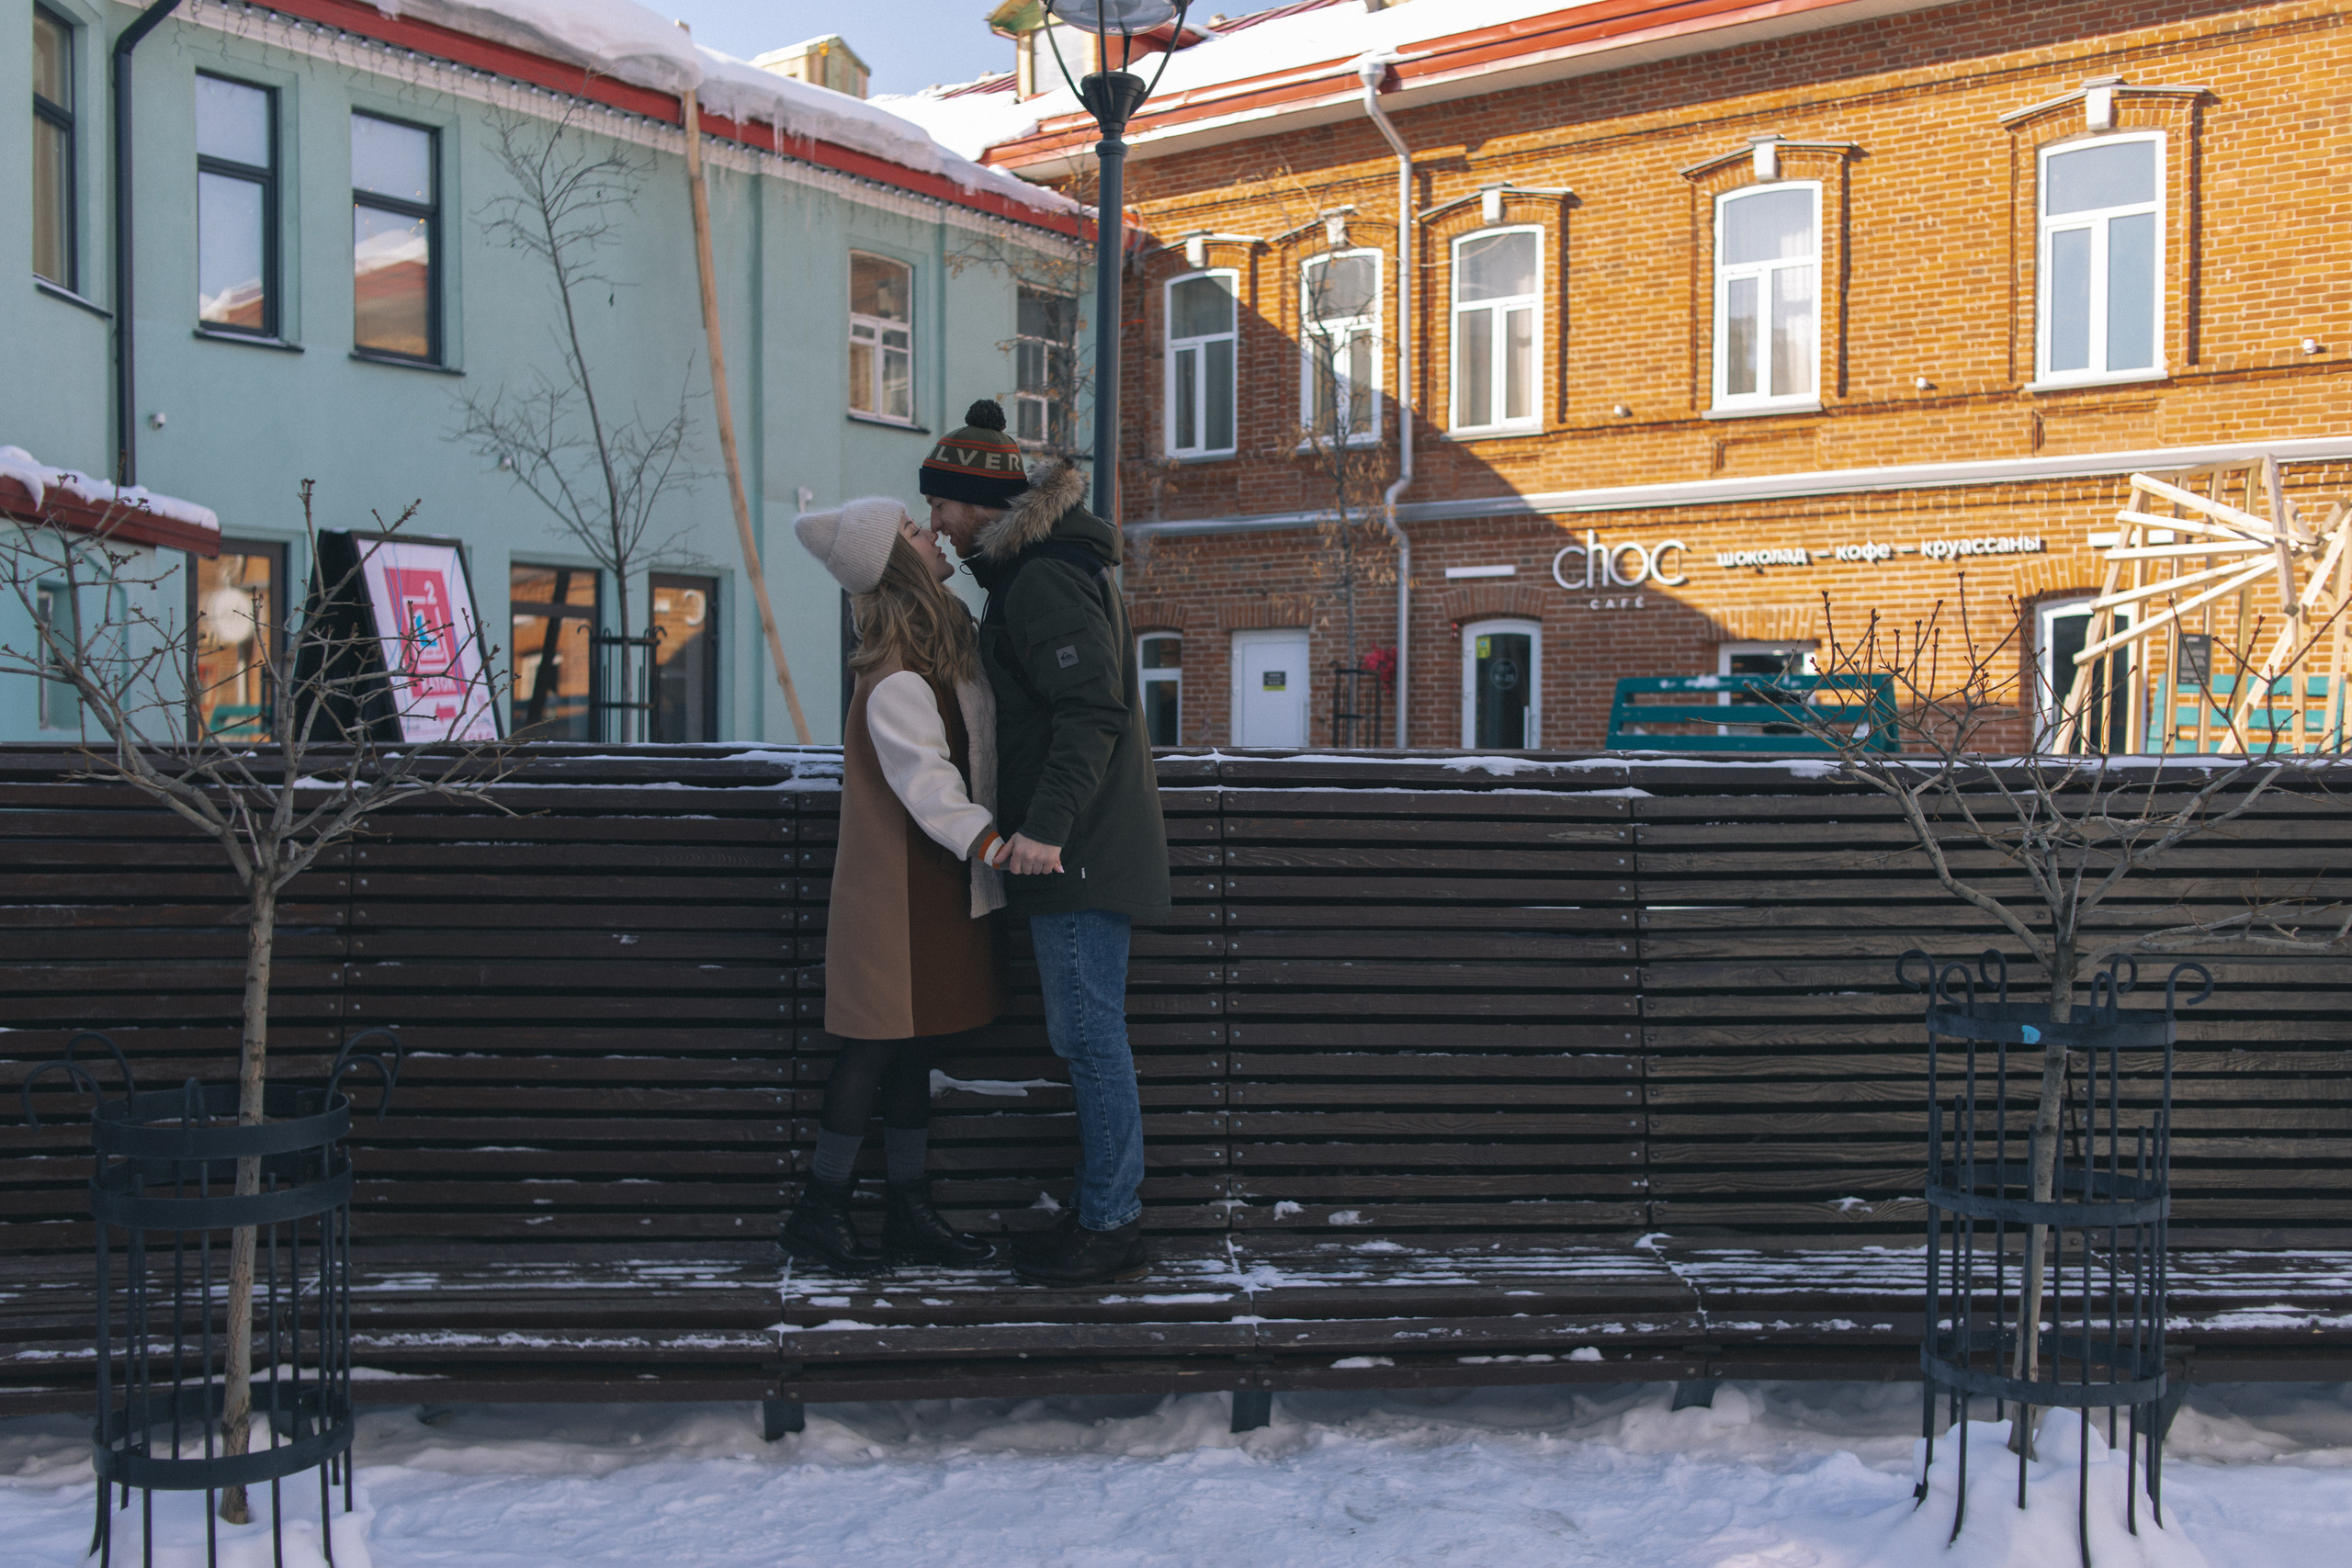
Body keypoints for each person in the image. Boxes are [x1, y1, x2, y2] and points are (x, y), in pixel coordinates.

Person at [919, 400, 1170, 1288]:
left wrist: (1046, 830)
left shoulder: (1042, 579)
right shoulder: (1039, 570)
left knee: (1091, 1038)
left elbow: (1091, 710)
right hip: (1081, 844)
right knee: (1087, 1036)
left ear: (976, 503)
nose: (935, 524)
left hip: (1077, 850)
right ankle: (1104, 1209)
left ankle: (1112, 1224)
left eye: (941, 505)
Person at [780, 495, 1012, 1274]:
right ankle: (820, 1208)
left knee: (913, 1049)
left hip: (928, 885)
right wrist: (990, 841)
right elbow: (925, 778)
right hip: (897, 895)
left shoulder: (936, 636)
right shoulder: (895, 667)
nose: (932, 531)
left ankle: (909, 1209)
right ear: (895, 563)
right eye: (915, 529)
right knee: (874, 1048)